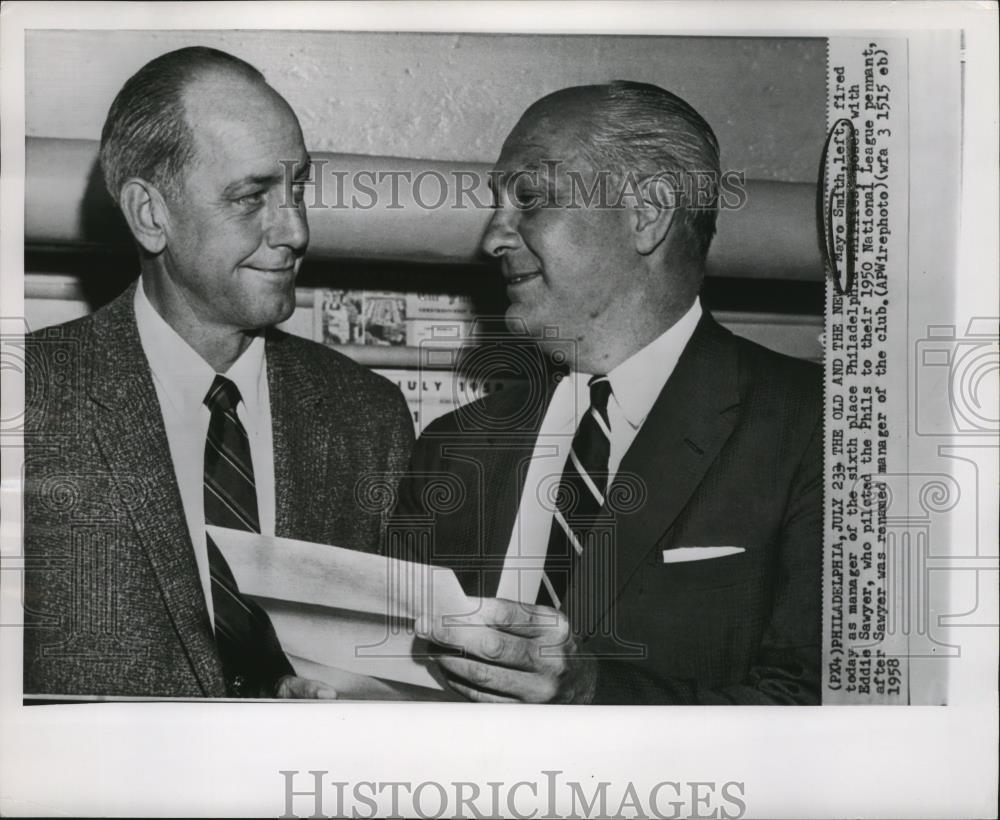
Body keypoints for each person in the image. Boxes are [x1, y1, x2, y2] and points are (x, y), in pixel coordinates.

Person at [392, 82, 822, 704]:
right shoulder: (452, 446)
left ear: (648, 213)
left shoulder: (816, 429)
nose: (494, 238)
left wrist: (591, 695)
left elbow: (817, 710)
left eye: (530, 198)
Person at [23, 47, 414, 699]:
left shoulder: (368, 417)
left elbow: (399, 676)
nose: (293, 229)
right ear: (151, 215)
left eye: (296, 189)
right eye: (250, 197)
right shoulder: (28, 399)